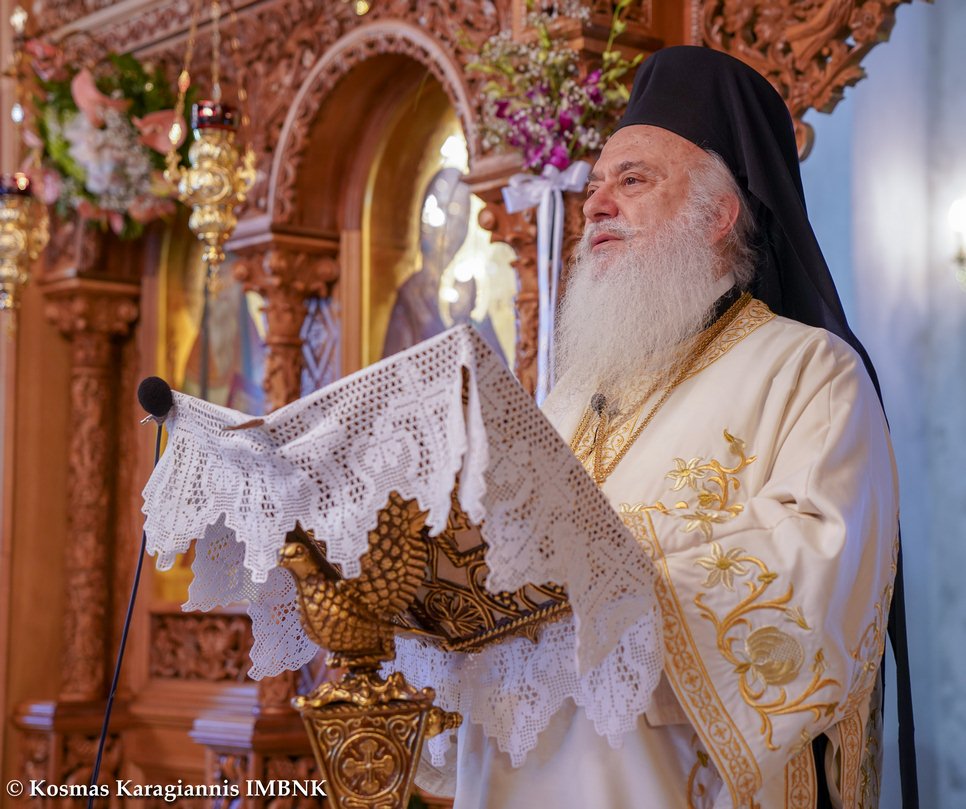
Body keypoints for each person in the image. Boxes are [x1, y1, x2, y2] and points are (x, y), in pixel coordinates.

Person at [450, 46, 913, 809]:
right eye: (596, 185)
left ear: (718, 213)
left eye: (632, 181)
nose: (595, 205)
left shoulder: (810, 373)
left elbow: (814, 583)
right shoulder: (571, 396)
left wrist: (587, 590)